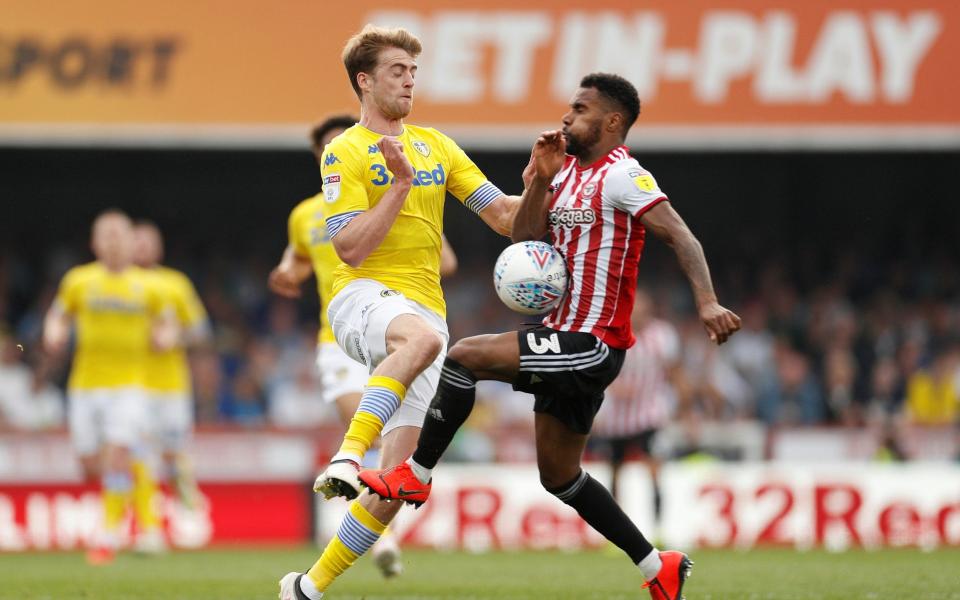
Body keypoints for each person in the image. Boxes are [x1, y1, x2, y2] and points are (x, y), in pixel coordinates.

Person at [360, 73, 742, 600]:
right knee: (559, 476)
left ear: (611, 122)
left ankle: (416, 473)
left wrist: (706, 301)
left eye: (580, 109)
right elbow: (523, 236)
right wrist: (539, 178)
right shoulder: (563, 174)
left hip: (592, 342)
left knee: (465, 356)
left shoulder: (625, 175)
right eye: (569, 106)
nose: (567, 116)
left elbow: (680, 233)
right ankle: (659, 565)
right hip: (560, 334)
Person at [277, 24, 521, 600]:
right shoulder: (345, 152)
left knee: (395, 487)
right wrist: (400, 186)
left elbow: (505, 218)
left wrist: (540, 180)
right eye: (396, 70)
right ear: (365, 80)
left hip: (424, 313)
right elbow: (349, 247)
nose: (409, 80)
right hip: (360, 297)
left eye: (413, 70)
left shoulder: (438, 145)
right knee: (424, 342)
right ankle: (346, 454)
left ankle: (308, 586)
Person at [268, 114, 458, 578]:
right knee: (367, 427)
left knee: (394, 452)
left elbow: (447, 260)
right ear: (322, 157)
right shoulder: (304, 216)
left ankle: (348, 549)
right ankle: (356, 475)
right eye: (330, 148)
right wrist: (285, 276)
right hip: (340, 336)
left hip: (398, 320)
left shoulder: (401, 190)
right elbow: (293, 262)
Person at [43, 209, 179, 565]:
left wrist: (164, 337)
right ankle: (139, 519)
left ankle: (109, 533)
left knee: (119, 452)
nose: (114, 242)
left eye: (120, 235)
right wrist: (53, 332)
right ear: (95, 242)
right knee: (91, 464)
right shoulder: (79, 281)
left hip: (130, 386)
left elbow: (169, 324)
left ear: (130, 241)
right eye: (107, 235)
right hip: (85, 386)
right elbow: (59, 314)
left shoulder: (148, 285)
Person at [132, 220, 211, 523]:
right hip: (132, 385)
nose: (143, 248)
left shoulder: (175, 283)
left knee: (175, 454)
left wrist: (174, 337)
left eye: (149, 241)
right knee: (141, 455)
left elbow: (200, 331)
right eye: (138, 242)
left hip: (171, 385)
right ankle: (147, 519)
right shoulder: (117, 283)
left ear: (159, 246)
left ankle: (185, 505)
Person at [593, 288, 680, 526]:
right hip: (617, 418)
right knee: (615, 472)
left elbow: (674, 372)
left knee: (654, 469)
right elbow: (598, 369)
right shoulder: (611, 333)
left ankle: (659, 526)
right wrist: (614, 387)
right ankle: (614, 529)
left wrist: (681, 404)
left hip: (649, 413)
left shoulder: (662, 335)